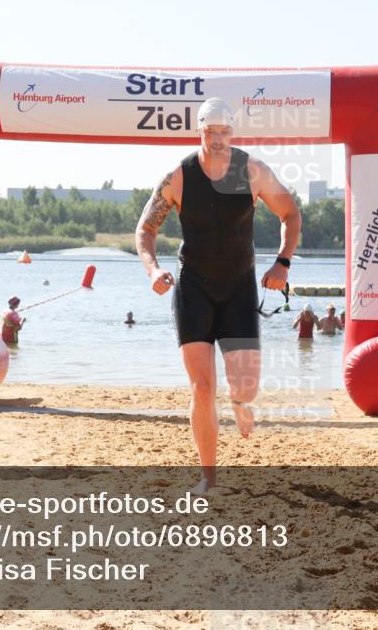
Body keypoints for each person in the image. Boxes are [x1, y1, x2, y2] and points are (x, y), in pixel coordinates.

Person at [135, 97, 301, 493]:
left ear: (233, 133)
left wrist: (283, 262)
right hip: (193, 286)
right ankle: (208, 477)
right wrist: (153, 269)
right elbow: (145, 229)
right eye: (211, 132)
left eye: (225, 132)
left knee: (245, 385)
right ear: (201, 132)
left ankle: (241, 404)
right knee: (202, 386)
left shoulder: (253, 170)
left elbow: (290, 213)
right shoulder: (179, 176)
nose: (219, 140)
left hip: (239, 288)